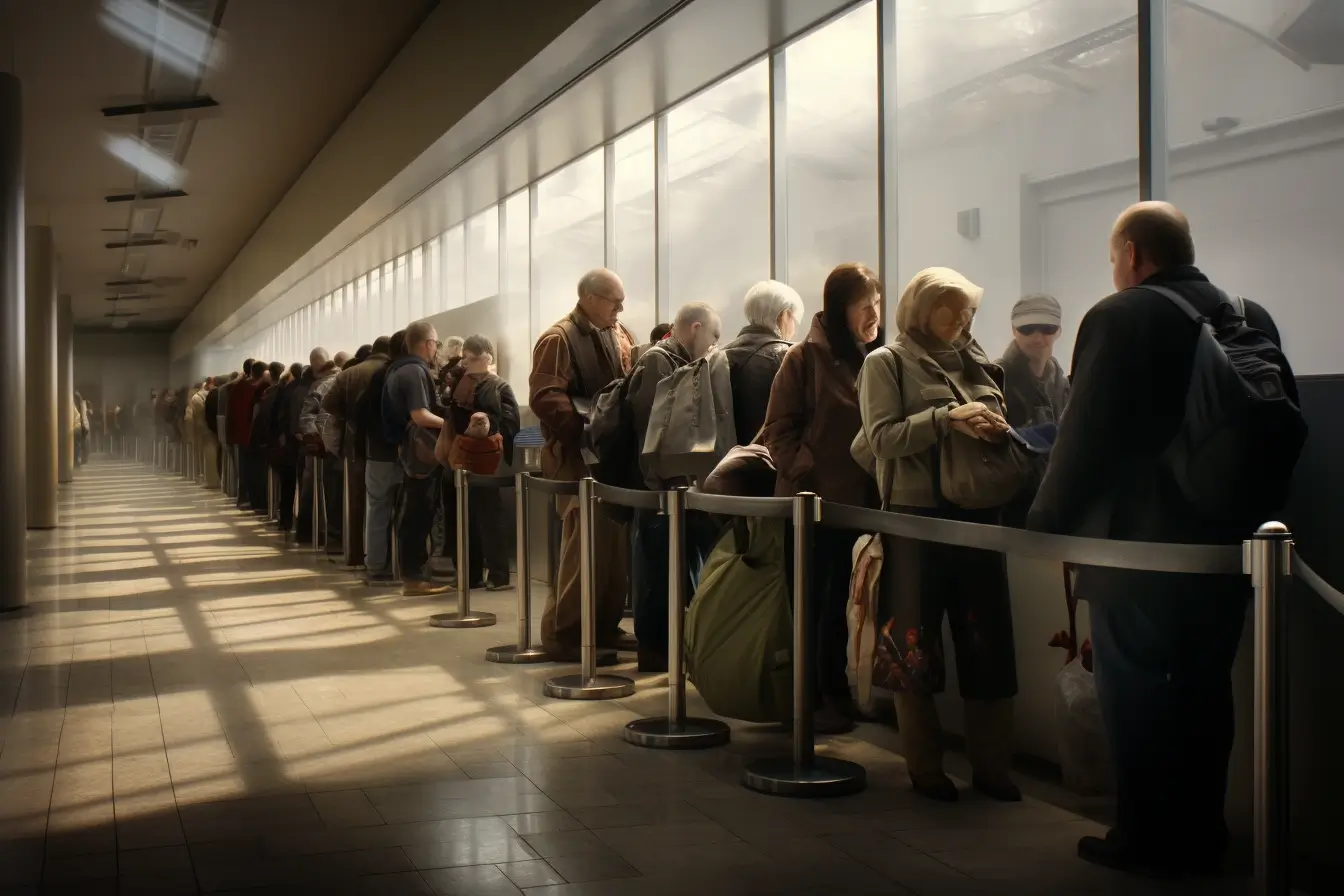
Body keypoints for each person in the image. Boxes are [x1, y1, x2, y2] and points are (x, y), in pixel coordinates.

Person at [1027, 201, 1299, 877]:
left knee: (1138, 691)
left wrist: (1044, 526)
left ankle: (1146, 838)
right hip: (1232, 543)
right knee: (1207, 688)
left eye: (1115, 257)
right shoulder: (1248, 314)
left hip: (1139, 552)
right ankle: (1204, 831)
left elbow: (1083, 441)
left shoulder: (1121, 316)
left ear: (1135, 256)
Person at [855, 266, 1021, 803]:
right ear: (920, 310)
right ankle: (925, 768)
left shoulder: (981, 362)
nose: (960, 319)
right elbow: (880, 439)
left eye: (967, 309)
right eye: (948, 308)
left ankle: (993, 769)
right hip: (915, 520)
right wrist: (946, 418)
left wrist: (996, 430)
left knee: (989, 645)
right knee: (912, 649)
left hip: (979, 517)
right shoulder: (887, 363)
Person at [760, 262, 882, 733]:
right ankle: (809, 699)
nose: (873, 313)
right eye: (863, 305)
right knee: (812, 605)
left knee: (841, 605)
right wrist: (805, 470)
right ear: (839, 308)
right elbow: (778, 429)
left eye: (876, 303)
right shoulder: (803, 358)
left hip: (855, 506)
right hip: (810, 507)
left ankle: (835, 692)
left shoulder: (875, 358)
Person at [529, 268, 637, 661]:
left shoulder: (620, 333)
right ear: (590, 298)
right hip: (575, 457)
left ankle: (603, 626)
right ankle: (565, 633)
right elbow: (544, 396)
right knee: (582, 548)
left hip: (607, 458)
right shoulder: (557, 338)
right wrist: (588, 429)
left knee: (611, 549)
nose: (620, 308)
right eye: (614, 300)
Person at [626, 303, 721, 672]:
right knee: (656, 569)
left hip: (668, 486)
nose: (715, 345)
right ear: (695, 328)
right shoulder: (658, 361)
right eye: (713, 336)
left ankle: (672, 645)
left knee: (672, 566)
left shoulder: (670, 359)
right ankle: (655, 648)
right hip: (657, 487)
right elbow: (654, 429)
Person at [441, 335, 520, 590]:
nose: (471, 363)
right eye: (468, 357)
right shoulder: (460, 383)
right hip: (461, 456)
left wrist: (487, 427)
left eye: (475, 358)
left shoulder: (498, 386)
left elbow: (510, 423)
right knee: (463, 518)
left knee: (488, 517)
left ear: (487, 357)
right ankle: (469, 573)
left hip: (486, 460)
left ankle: (497, 573)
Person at [384, 321, 451, 596]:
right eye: (436, 343)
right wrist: (450, 426)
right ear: (428, 344)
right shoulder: (413, 371)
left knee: (415, 512)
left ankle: (416, 575)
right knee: (416, 514)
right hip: (418, 454)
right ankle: (414, 578)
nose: (437, 349)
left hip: (408, 451)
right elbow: (420, 414)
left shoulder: (401, 368)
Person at [995, 294, 1071, 528]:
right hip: (1012, 499)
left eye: (1046, 328)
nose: (1038, 337)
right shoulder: (997, 375)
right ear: (1014, 330)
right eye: (1028, 328)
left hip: (1053, 493)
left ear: (1058, 330)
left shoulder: (1059, 378)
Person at [325, 335, 393, 569]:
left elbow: (328, 404)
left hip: (354, 442)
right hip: (384, 444)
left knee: (356, 501)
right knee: (386, 502)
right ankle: (387, 558)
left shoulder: (348, 373)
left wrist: (349, 416)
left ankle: (355, 554)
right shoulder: (391, 370)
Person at [723, 280, 803, 446]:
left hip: (723, 460)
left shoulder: (720, 354)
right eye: (794, 319)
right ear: (785, 315)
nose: (794, 328)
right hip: (763, 460)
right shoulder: (782, 355)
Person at [359, 331, 404, 585]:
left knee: (377, 509)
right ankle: (402, 565)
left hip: (374, 452)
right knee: (401, 509)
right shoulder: (399, 374)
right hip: (395, 453)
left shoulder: (376, 376)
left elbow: (359, 412)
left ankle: (376, 563)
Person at [302, 349, 348, 554]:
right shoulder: (344, 382)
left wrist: (316, 440)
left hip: (329, 449)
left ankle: (333, 538)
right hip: (348, 449)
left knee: (333, 494)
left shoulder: (322, 384)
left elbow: (306, 417)